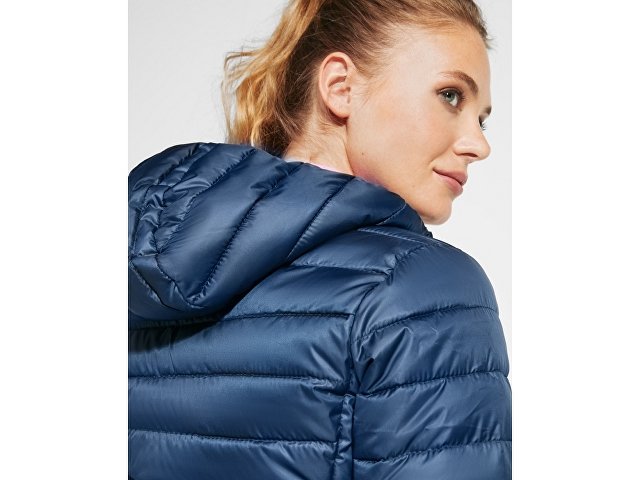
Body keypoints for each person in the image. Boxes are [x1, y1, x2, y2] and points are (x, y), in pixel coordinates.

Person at [128, 0, 511, 478]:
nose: (479, 144)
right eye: (451, 96)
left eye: (482, 119)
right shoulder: (423, 290)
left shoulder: (142, 280)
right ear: (340, 87)